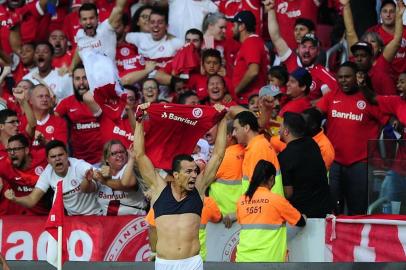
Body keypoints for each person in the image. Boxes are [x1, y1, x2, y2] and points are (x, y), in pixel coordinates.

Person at [130, 102, 227, 269]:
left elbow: (218, 155)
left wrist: (222, 119)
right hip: (165, 264)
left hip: (192, 263)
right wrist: (139, 120)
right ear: (175, 175)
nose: (194, 175)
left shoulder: (198, 188)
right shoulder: (159, 189)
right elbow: (139, 155)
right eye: (188, 172)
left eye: (195, 171)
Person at [316, 62, 389, 215]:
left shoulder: (369, 99)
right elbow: (315, 114)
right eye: (340, 77)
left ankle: (355, 239)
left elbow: (386, 122)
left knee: (358, 210)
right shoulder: (331, 96)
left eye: (347, 77)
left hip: (360, 164)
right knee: (331, 208)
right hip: (334, 162)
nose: (343, 80)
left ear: (356, 77)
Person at [4, 140, 102, 216]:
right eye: (53, 156)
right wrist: (15, 199)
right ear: (48, 160)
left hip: (96, 214)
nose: (57, 159)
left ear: (67, 155)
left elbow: (96, 174)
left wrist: (97, 174)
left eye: (60, 155)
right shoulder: (47, 173)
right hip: (73, 218)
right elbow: (31, 200)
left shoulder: (78, 165)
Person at [266, 0, 337, 102]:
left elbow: (331, 97)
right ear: (298, 49)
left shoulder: (321, 73)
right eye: (303, 46)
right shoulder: (291, 60)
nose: (307, 51)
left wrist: (307, 105)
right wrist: (271, 10)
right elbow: (275, 37)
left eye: (312, 47)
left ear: (318, 52)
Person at [236, 159, 306, 262]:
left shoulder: (242, 201)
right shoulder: (276, 200)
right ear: (272, 179)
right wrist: (304, 217)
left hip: (242, 260)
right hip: (269, 261)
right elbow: (300, 221)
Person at [278, 112, 333, 218]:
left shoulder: (285, 156)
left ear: (286, 132)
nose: (278, 130)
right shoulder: (312, 144)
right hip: (324, 210)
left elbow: (288, 193)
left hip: (303, 215)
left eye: (280, 126)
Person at [54, 64, 103, 165]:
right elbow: (51, 120)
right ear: (72, 81)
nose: (81, 83)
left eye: (85, 78)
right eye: (77, 79)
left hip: (103, 160)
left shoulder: (101, 98)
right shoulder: (66, 102)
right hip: (79, 163)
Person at [232, 111, 283, 196]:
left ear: (246, 128)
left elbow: (261, 187)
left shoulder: (258, 149)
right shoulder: (257, 146)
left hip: (266, 206)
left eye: (236, 129)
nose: (233, 133)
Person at [93, 139, 147, 216]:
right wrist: (88, 178)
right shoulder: (100, 171)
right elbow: (86, 190)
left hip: (133, 222)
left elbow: (127, 184)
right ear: (107, 159)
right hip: (107, 223)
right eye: (114, 153)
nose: (119, 155)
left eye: (122, 152)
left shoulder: (129, 168)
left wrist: (104, 181)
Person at [0, 134, 50, 215]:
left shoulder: (43, 157)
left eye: (16, 149)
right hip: (22, 217)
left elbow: (61, 152)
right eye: (9, 150)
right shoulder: (5, 165)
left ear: (26, 150)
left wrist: (46, 142)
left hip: (46, 215)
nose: (12, 153)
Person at [232, 10, 269, 105]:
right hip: (250, 99)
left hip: (250, 100)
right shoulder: (252, 42)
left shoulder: (251, 42)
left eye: (234, 25)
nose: (232, 29)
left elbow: (253, 71)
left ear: (242, 26)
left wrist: (235, 91)